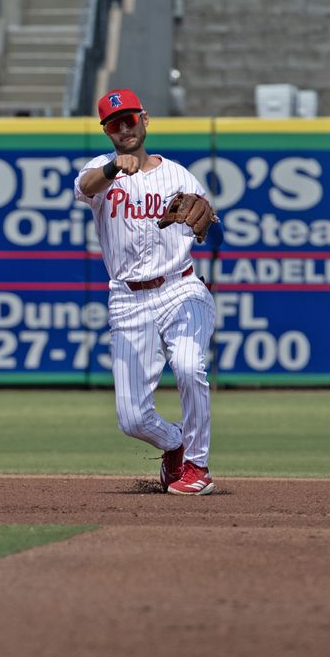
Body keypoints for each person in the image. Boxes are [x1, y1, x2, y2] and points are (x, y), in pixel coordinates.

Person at [73, 89, 218, 495]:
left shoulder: (178, 175)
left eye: (130, 119)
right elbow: (84, 187)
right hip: (127, 298)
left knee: (190, 367)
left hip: (180, 287)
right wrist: (111, 171)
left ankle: (198, 466)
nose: (124, 128)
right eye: (114, 123)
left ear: (145, 120)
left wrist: (203, 218)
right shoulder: (100, 171)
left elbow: (204, 217)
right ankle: (175, 444)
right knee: (131, 418)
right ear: (106, 131)